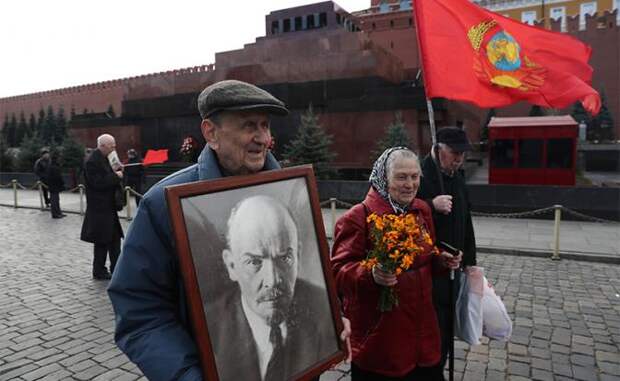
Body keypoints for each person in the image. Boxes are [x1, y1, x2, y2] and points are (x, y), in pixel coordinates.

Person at [108, 80, 350, 381]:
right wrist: (188, 375)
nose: (263, 138)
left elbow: (317, 287)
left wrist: (331, 320)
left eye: (265, 126)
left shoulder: (291, 191)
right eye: (250, 126)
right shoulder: (163, 205)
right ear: (211, 133)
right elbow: (140, 310)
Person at [331, 147, 461, 381]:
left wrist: (441, 259)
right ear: (384, 178)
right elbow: (338, 272)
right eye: (401, 177)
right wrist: (371, 274)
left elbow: (427, 253)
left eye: (414, 177)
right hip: (381, 340)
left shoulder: (421, 210)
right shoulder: (358, 217)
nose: (410, 184)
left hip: (424, 334)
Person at [206, 195, 337, 381]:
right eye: (254, 262)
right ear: (231, 266)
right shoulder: (209, 329)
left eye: (285, 258)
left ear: (298, 255)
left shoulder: (323, 309)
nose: (273, 280)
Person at [417, 127, 477, 373]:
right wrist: (431, 204)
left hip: (454, 268)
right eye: (454, 153)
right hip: (428, 269)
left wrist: (469, 261)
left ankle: (439, 364)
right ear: (437, 148)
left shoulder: (457, 177)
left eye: (462, 154)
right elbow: (403, 212)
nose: (459, 158)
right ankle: (430, 370)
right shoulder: (420, 175)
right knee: (432, 326)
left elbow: (466, 220)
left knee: (447, 325)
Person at [80, 134, 124, 280]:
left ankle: (116, 268)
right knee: (101, 241)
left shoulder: (108, 157)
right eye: (112, 146)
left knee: (114, 240)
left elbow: (113, 175)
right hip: (99, 209)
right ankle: (99, 271)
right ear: (103, 146)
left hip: (109, 207)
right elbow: (97, 183)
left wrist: (119, 170)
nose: (114, 148)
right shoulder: (92, 161)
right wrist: (115, 176)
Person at [46, 151, 66, 219]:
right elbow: (57, 176)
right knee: (54, 200)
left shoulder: (52, 165)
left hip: (53, 185)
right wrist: (62, 183)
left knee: (56, 199)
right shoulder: (53, 166)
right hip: (54, 185)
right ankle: (55, 213)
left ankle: (58, 212)